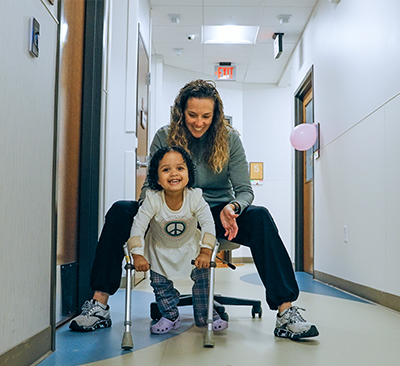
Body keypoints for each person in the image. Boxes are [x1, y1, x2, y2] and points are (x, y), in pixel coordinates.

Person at [70, 79, 319, 340]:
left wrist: (233, 207)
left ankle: (285, 312)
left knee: (260, 217)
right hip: (168, 208)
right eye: (192, 115)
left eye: (206, 116)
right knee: (120, 211)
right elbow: (150, 186)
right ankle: (99, 304)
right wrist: (152, 211)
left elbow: (245, 190)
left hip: (214, 212)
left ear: (216, 115)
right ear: (181, 112)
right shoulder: (164, 136)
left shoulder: (230, 139)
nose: (199, 122)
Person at [126, 145, 228, 334]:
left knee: (203, 277)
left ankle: (205, 315)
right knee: (159, 283)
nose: (174, 174)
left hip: (190, 247)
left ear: (189, 173)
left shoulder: (195, 197)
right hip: (159, 249)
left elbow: (208, 224)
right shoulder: (152, 199)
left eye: (180, 168)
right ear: (157, 178)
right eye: (166, 169)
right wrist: (137, 255)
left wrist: (206, 251)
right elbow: (138, 226)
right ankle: (170, 315)